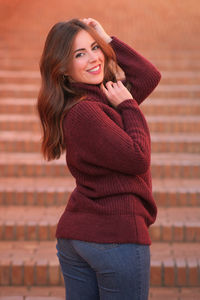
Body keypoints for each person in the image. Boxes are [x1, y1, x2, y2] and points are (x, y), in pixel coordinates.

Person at [37, 17, 161, 300]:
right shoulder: (87, 112)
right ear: (63, 69)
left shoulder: (101, 99)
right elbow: (138, 157)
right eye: (80, 54)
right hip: (113, 237)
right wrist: (129, 105)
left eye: (95, 48)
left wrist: (109, 40)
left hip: (83, 235)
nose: (94, 58)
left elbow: (148, 77)